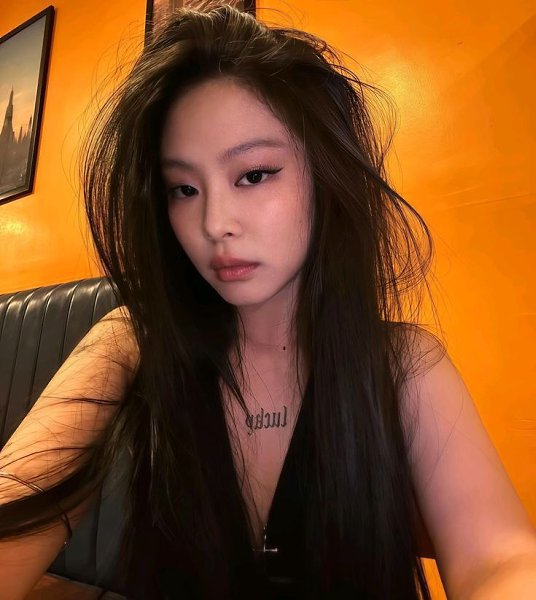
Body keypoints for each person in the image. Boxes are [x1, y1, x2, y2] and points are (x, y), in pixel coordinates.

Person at [1, 2, 535, 599]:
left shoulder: (403, 363)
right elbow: (14, 512)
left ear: (324, 173)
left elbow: (500, 561)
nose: (215, 223)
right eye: (183, 188)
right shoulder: (131, 341)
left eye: (254, 175)